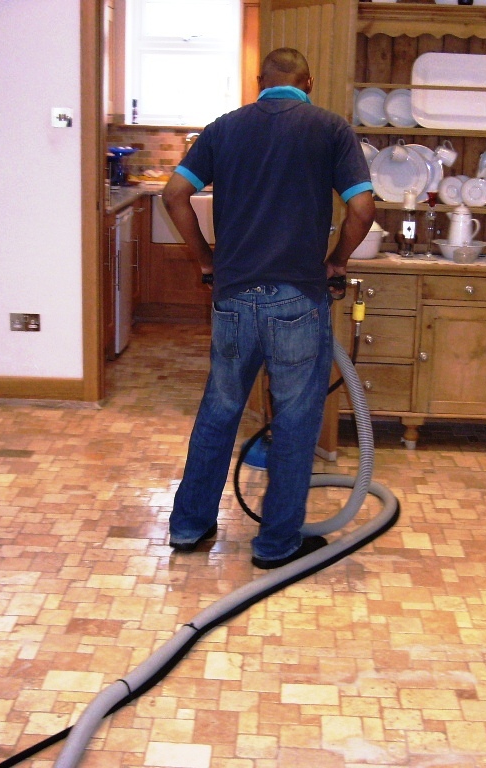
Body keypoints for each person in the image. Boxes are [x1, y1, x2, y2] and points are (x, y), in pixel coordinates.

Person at [163, 47, 376, 569]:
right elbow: (363, 207)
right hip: (297, 302)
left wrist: (206, 259)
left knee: (219, 412)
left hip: (234, 298)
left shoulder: (223, 129)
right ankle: (276, 544)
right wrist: (336, 260)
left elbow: (173, 195)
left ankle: (189, 528)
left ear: (261, 82)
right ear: (309, 80)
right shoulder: (330, 129)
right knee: (297, 421)